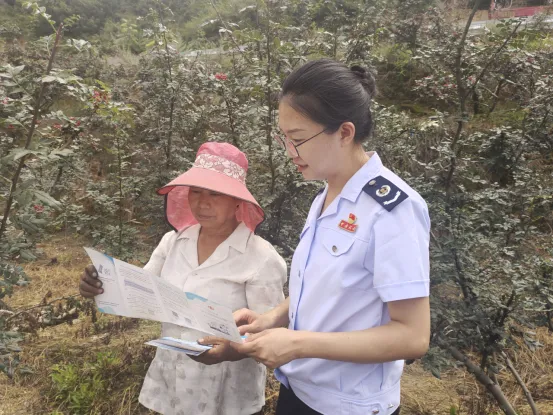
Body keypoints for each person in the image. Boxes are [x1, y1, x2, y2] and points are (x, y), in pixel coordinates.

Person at [228, 59, 431, 415]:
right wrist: (273, 318)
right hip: (300, 390)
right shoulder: (326, 195)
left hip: (346, 405)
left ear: (344, 132)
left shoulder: (392, 210)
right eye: (283, 138)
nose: (289, 152)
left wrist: (297, 344)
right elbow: (329, 288)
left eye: (298, 139)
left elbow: (413, 336)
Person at [78, 142, 287, 415]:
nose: (203, 203)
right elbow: (139, 292)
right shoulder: (174, 242)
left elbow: (268, 332)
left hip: (226, 394)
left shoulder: (259, 257)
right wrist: (101, 285)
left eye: (216, 193)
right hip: (170, 382)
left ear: (238, 200)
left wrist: (233, 350)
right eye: (196, 191)